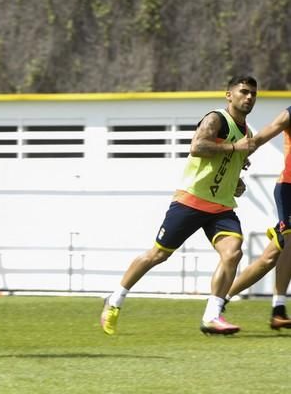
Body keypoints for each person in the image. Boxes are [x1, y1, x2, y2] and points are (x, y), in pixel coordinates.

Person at [101, 75, 258, 336]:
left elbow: (230, 165)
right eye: (243, 91)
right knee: (158, 255)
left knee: (233, 252)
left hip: (220, 207)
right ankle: (115, 299)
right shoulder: (216, 119)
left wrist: (236, 183)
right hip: (191, 201)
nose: (249, 97)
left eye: (253, 93)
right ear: (229, 95)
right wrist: (233, 147)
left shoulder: (247, 133)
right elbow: (197, 146)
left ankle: (212, 316)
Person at [223, 105, 291, 330]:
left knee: (268, 259)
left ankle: (220, 299)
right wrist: (236, 163)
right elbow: (264, 134)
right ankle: (278, 310)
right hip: (289, 189)